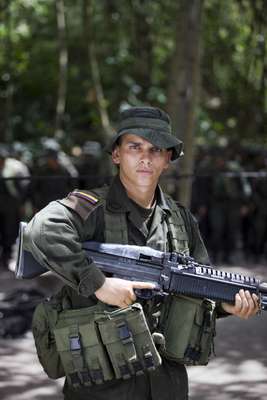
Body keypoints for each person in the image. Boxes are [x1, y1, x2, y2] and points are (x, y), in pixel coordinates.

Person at [24, 107, 259, 400]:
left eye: (156, 149)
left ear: (168, 159)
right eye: (135, 147)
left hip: (166, 386)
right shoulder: (90, 208)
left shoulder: (180, 220)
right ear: (117, 155)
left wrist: (227, 306)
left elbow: (199, 288)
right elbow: (40, 230)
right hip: (102, 388)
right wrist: (99, 284)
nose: (146, 157)